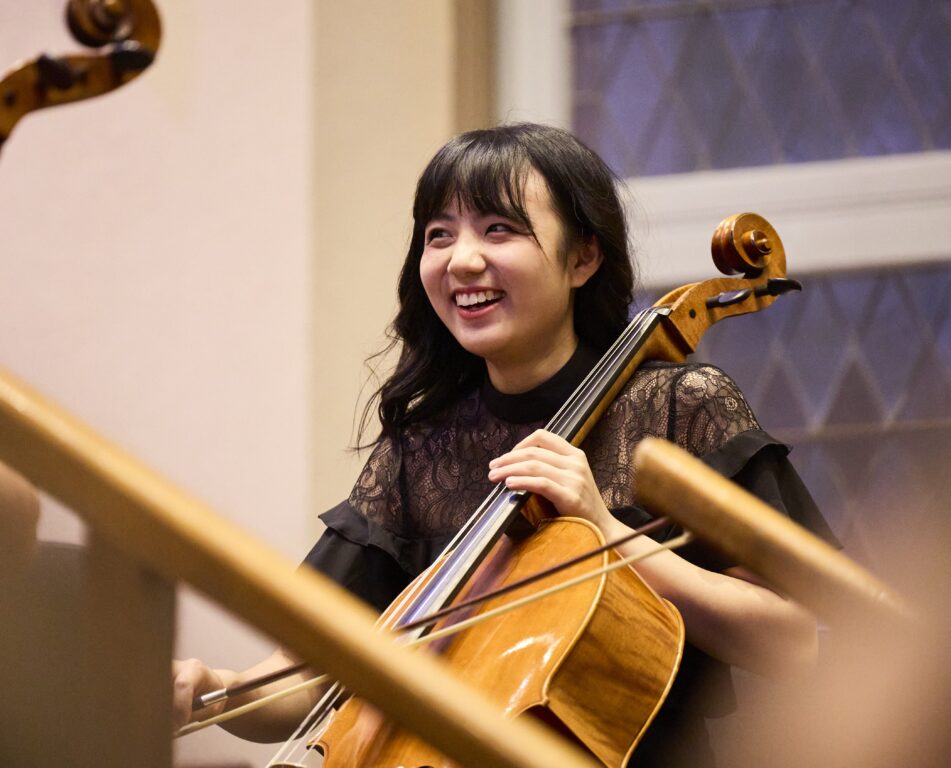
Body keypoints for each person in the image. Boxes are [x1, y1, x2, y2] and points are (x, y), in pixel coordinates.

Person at [173, 123, 837, 766]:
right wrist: (213, 690)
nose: (463, 259)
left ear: (583, 257)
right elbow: (314, 674)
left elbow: (791, 640)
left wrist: (605, 533)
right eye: (439, 235)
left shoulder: (680, 405)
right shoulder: (422, 450)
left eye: (500, 230)